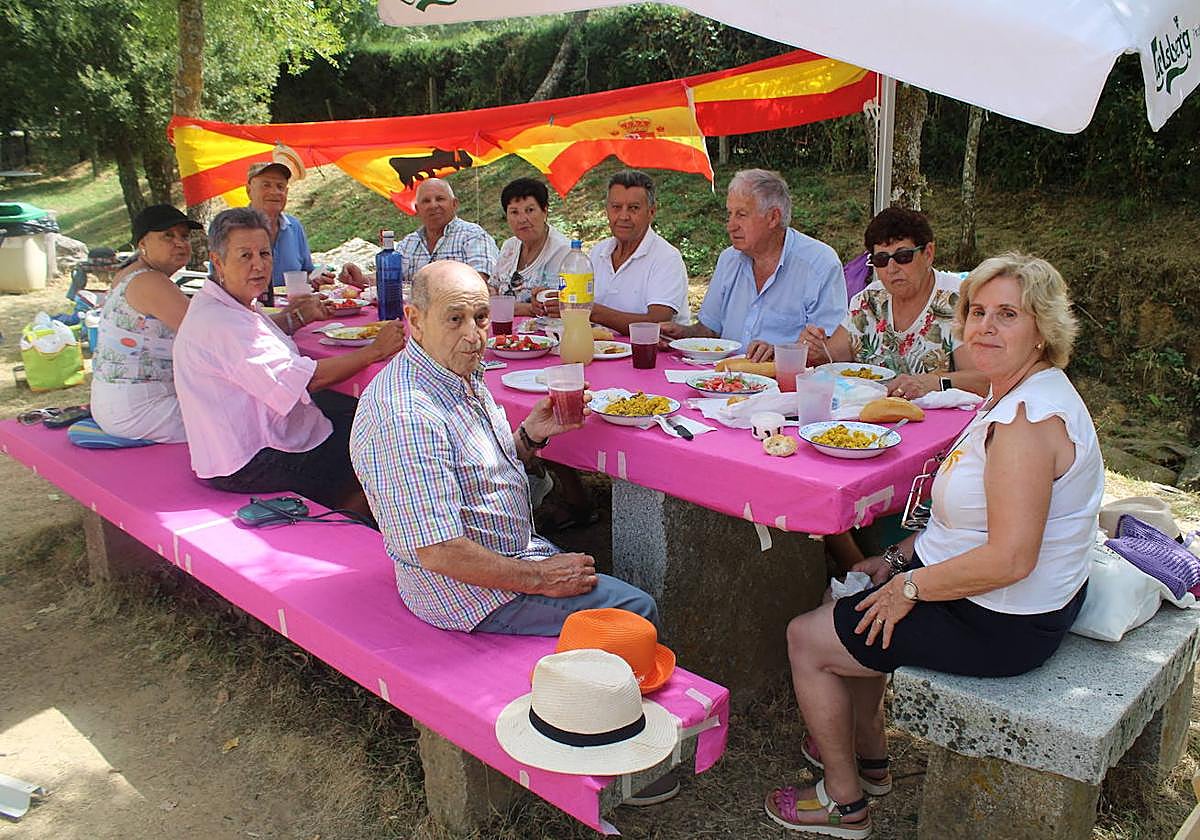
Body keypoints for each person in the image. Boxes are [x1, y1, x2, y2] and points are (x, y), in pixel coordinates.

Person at [766, 254, 1103, 837]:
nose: (985, 327)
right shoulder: (1016, 391)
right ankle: (870, 758)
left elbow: (1009, 558)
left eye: (1007, 314)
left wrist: (910, 586)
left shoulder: (1025, 421)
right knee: (857, 591)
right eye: (976, 312)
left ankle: (844, 802)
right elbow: (971, 525)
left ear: (1043, 329)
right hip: (1002, 593)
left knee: (806, 636)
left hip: (1005, 618)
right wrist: (895, 559)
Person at [350, 260, 658, 636]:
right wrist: (539, 577)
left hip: (502, 559)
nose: (474, 335)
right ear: (415, 320)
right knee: (636, 611)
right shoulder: (407, 416)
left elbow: (469, 470)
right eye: (454, 319)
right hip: (468, 595)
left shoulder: (450, 372)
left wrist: (529, 436)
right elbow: (438, 550)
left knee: (603, 583)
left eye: (480, 317)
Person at [174, 208, 405, 514]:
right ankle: (346, 519)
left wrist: (298, 316)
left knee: (353, 413)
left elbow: (259, 343)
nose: (259, 265)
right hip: (253, 461)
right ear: (218, 262)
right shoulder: (222, 323)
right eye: (245, 256)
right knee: (388, 438)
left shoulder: (225, 305)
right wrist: (374, 351)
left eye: (264, 253)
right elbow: (309, 380)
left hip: (241, 444)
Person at [660, 169, 845, 362]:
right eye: (729, 214)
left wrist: (779, 353)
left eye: (741, 215)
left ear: (773, 218)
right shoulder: (729, 259)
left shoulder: (819, 264)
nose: (730, 226)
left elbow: (828, 348)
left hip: (785, 385)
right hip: (723, 380)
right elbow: (709, 331)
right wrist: (681, 335)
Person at [801, 207, 987, 398]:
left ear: (928, 253)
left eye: (903, 256)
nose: (891, 268)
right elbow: (833, 359)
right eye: (881, 259)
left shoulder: (958, 302)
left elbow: (983, 380)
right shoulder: (869, 301)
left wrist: (934, 382)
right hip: (869, 419)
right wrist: (815, 349)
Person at [90, 205, 202, 442]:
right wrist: (286, 320)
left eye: (184, 236)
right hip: (140, 408)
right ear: (143, 244)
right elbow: (211, 336)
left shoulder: (130, 274)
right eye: (167, 236)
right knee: (238, 416)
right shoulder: (150, 282)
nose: (180, 243)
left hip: (116, 402)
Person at [543, 170, 688, 333]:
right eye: (616, 207)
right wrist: (553, 303)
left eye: (634, 208)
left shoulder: (666, 258)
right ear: (607, 211)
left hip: (653, 356)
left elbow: (657, 322)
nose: (624, 216)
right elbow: (577, 301)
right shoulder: (598, 252)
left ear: (651, 212)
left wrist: (589, 311)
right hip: (600, 350)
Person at [245, 161, 332, 288]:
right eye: (266, 185)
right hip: (243, 307)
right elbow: (220, 279)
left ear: (286, 192)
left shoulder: (294, 226)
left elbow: (306, 273)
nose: (274, 192)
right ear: (249, 190)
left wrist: (316, 279)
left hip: (291, 306)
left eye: (280, 187)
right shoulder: (232, 227)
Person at [492, 177, 571, 316]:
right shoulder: (509, 246)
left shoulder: (563, 252)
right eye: (514, 212)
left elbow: (552, 307)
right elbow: (492, 291)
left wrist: (502, 306)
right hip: (504, 331)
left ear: (544, 211)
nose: (522, 219)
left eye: (530, 210)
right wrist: (527, 308)